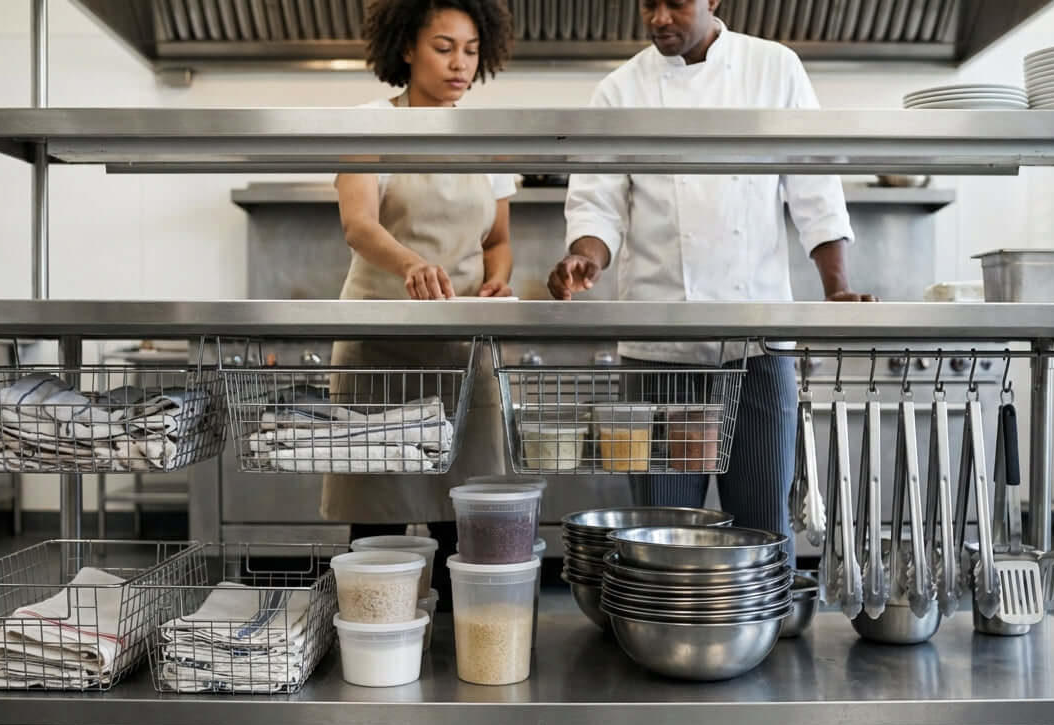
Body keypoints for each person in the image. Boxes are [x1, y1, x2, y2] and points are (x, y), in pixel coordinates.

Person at [549, 0, 875, 543]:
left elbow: (815, 189)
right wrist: (586, 257)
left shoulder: (774, 68)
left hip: (759, 347)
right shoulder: (619, 90)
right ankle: (662, 625)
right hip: (659, 350)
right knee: (659, 530)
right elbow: (597, 206)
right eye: (647, 4)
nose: (658, 18)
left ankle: (759, 627)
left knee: (762, 523)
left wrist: (836, 289)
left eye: (674, 3)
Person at [320, 0, 514, 600]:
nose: (461, 63)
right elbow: (359, 224)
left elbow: (499, 239)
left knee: (463, 527)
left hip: (461, 357)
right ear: (407, 48)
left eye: (471, 49)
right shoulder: (370, 124)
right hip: (380, 352)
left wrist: (497, 279)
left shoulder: (487, 139)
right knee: (374, 528)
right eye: (444, 46)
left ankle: (462, 652)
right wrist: (411, 264)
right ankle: (374, 644)